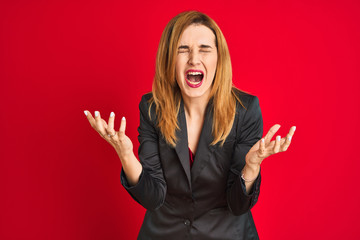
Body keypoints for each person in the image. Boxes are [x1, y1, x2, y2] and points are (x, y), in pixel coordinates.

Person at [84, 10, 296, 240]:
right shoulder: (152, 108)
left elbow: (238, 205)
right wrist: (125, 155)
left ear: (219, 59)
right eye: (182, 49)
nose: (194, 58)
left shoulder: (245, 110)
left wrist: (252, 167)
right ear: (169, 59)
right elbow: (154, 198)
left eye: (205, 49)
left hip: (226, 234)